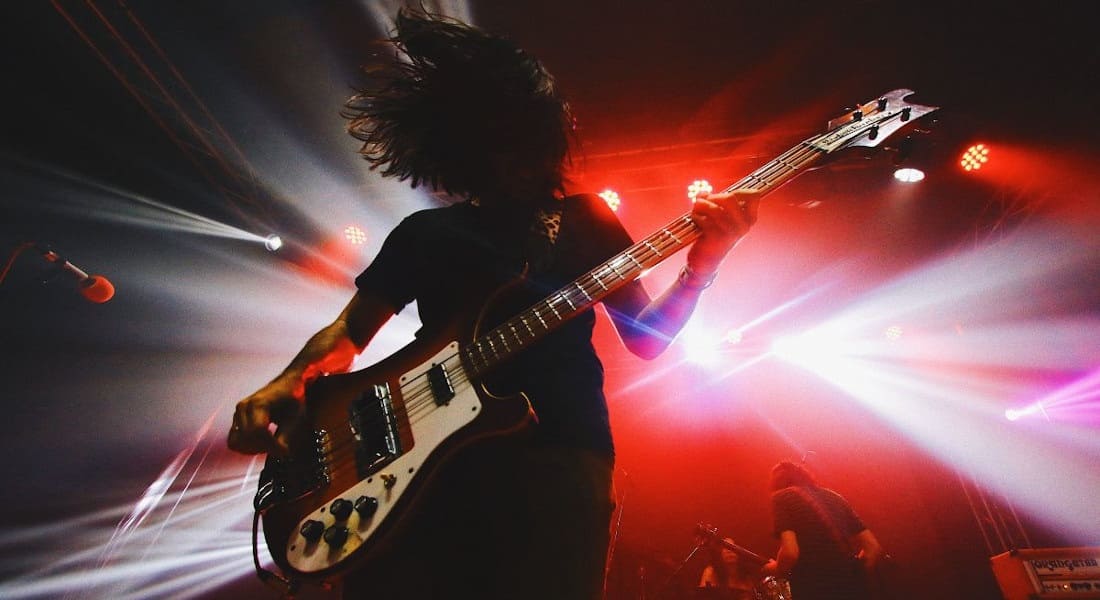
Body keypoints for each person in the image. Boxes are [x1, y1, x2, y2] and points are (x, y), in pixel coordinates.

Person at [227, 9, 759, 600]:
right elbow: (350, 332)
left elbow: (646, 338)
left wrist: (701, 267)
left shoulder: (586, 221)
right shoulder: (424, 232)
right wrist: (292, 377)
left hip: (557, 452)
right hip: (421, 468)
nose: (506, 153)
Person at [761, 461, 883, 600]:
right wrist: (853, 573)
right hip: (855, 590)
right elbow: (873, 548)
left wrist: (776, 568)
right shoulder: (835, 497)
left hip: (816, 589)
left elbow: (790, 552)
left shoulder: (781, 497)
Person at [697, 536, 764, 600]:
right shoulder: (710, 572)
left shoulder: (748, 578)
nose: (729, 551)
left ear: (739, 551)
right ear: (719, 553)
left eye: (732, 547)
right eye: (726, 547)